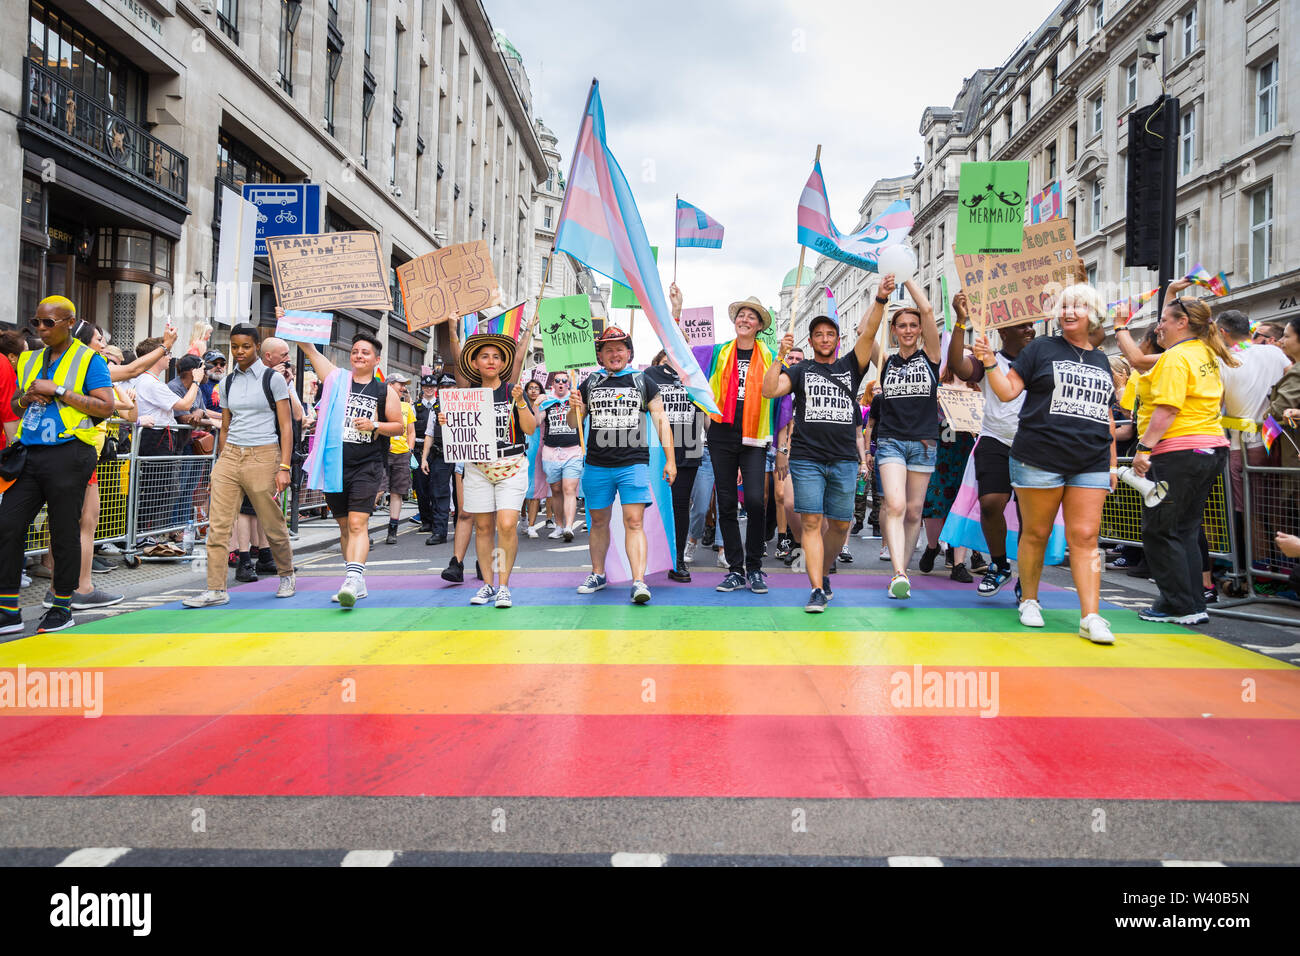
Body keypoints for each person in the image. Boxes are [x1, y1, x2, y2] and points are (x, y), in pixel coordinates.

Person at [974, 284, 1118, 645]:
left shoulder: (1101, 358)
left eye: (1079, 307)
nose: (1069, 312)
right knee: (1035, 533)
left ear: (1094, 315)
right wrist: (990, 363)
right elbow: (1007, 391)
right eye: (1065, 306)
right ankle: (1030, 600)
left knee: (1085, 537)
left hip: (1091, 459)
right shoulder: (1040, 349)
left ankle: (1091, 616)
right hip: (1039, 456)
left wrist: (1113, 464)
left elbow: (1106, 417)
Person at [0, 296, 115, 634]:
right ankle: (8, 611)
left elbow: (106, 407)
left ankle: (62, 606)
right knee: (7, 525)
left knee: (63, 531)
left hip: (69, 453)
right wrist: (26, 397)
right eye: (37, 322)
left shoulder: (89, 360)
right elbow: (17, 406)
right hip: (30, 453)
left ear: (68, 323)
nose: (41, 329)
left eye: (49, 322)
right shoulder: (28, 359)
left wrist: (59, 389)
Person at [1129, 294, 1239, 623]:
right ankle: (1191, 604)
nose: (1159, 325)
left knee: (1161, 529)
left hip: (1180, 450)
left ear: (1183, 323)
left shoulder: (1176, 358)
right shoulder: (1205, 352)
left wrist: (1144, 448)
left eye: (1165, 319)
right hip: (1209, 448)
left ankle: (1179, 604)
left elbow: (1168, 407)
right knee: (1185, 529)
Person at [285, 310, 404, 608]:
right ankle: (357, 579)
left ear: (377, 359)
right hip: (335, 465)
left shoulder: (384, 391)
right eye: (354, 352)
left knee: (356, 523)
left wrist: (375, 425)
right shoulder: (337, 380)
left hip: (368, 464)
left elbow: (399, 426)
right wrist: (288, 319)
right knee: (343, 526)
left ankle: (351, 579)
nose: (359, 356)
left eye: (365, 352)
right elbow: (309, 349)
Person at [762, 303, 875, 613]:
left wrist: (879, 299)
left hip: (843, 459)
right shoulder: (800, 369)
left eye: (830, 334)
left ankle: (823, 573)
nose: (824, 339)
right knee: (811, 522)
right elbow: (769, 390)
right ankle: (815, 589)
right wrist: (780, 357)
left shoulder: (852, 365)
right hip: (807, 458)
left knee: (840, 524)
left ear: (837, 340)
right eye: (818, 335)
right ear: (810, 341)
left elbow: (871, 333)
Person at [184, 323, 296, 607]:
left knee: (271, 521)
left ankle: (286, 574)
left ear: (257, 346)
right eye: (235, 347)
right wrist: (220, 462)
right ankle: (216, 589)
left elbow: (286, 426)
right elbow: (226, 423)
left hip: (264, 454)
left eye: (246, 346)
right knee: (219, 525)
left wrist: (284, 467)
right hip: (231, 455)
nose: (240, 351)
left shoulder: (273, 379)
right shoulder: (227, 382)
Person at [570, 327, 675, 604]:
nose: (614, 354)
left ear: (629, 353)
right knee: (599, 522)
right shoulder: (589, 383)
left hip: (633, 463)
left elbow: (662, 421)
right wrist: (574, 407)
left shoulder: (644, 382)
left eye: (619, 349)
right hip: (597, 465)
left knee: (634, 521)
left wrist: (671, 460)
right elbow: (574, 425)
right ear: (601, 356)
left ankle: (639, 580)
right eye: (608, 350)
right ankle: (598, 574)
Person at [945, 291, 1035, 596]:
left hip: (1031, 446)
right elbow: (958, 366)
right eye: (1023, 325)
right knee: (990, 503)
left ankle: (1028, 575)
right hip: (994, 439)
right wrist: (961, 321)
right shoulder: (988, 359)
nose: (1030, 330)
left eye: (1031, 325)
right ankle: (999, 565)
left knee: (1029, 514)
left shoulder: (1040, 358)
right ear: (1003, 331)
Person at [442, 325, 537, 607]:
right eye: (485, 356)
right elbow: (458, 430)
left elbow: (529, 429)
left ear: (504, 362)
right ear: (475, 362)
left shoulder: (512, 391)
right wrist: (450, 424)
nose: (491, 361)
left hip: (511, 465)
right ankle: (488, 585)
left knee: (506, 524)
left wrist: (521, 403)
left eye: (497, 356)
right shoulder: (466, 394)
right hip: (477, 469)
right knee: (483, 528)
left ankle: (504, 585)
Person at [692, 294, 779, 594]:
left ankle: (754, 567)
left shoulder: (770, 356)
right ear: (735, 321)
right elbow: (685, 353)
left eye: (751, 317)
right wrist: (677, 313)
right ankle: (735, 569)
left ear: (759, 326)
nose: (744, 319)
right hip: (722, 434)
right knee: (727, 503)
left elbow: (781, 394)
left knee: (756, 501)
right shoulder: (718, 353)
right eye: (741, 315)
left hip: (755, 436)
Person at [867, 275, 942, 599]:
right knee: (894, 504)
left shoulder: (931, 358)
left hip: (924, 443)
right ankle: (898, 572)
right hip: (891, 442)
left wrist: (907, 277)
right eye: (902, 325)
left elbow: (927, 309)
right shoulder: (885, 359)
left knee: (914, 511)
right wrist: (881, 298)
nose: (909, 329)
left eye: (913, 325)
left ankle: (903, 569)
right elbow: (864, 332)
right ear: (895, 331)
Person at [1216, 309, 1291, 562]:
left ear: (1222, 332)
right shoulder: (1274, 352)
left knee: (1250, 511)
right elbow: (1289, 378)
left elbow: (1216, 404)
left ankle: (1260, 571)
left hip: (1245, 447)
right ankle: (1281, 567)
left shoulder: (1224, 360)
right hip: (1275, 442)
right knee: (1275, 507)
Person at [646, 348, 707, 582]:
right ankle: (649, 557)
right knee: (652, 506)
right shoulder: (651, 375)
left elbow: (708, 411)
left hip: (688, 450)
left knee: (680, 508)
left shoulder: (695, 376)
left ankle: (677, 559)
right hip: (657, 451)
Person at [536, 370, 584, 541]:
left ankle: (569, 527)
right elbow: (536, 422)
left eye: (565, 380)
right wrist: (536, 404)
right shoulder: (547, 402)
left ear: (569, 384)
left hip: (573, 452)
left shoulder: (576, 400)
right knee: (556, 491)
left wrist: (577, 403)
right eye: (558, 380)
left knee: (569, 489)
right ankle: (558, 525)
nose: (562, 383)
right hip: (550, 453)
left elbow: (583, 418)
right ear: (553, 384)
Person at [381, 372, 416, 544]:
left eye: (403, 385)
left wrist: (409, 450)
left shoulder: (407, 407)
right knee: (376, 490)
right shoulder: (380, 402)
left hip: (402, 454)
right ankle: (361, 529)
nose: (403, 388)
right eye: (399, 384)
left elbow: (411, 431)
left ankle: (392, 530)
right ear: (389, 385)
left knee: (397, 493)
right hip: (383, 453)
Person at [521, 378, 550, 537]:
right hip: (520, 450)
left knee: (536, 489)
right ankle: (523, 516)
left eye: (536, 388)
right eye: (530, 388)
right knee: (521, 489)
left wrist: (537, 404)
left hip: (538, 450)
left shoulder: (544, 406)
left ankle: (532, 525)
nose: (533, 391)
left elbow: (536, 421)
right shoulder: (519, 406)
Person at [411, 374, 439, 535]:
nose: (429, 389)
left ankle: (437, 520)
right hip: (420, 449)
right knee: (421, 488)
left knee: (436, 487)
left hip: (435, 450)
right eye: (426, 387)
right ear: (422, 388)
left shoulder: (440, 405)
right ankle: (426, 521)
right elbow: (411, 430)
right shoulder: (416, 407)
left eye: (432, 387)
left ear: (436, 388)